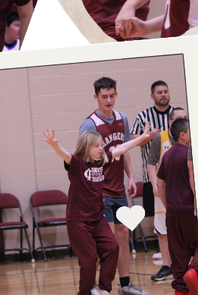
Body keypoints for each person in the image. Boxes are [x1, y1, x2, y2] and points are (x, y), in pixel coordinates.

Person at [43, 122, 154, 295]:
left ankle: (102, 288)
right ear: (87, 147)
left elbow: (121, 148)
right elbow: (64, 155)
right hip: (78, 220)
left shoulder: (102, 162)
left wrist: (141, 138)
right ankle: (85, 292)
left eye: (102, 145)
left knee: (112, 248)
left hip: (97, 218)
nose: (101, 148)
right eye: (97, 146)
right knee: (89, 259)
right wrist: (54, 145)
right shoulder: (77, 163)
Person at [80, 76, 149, 295]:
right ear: (96, 97)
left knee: (122, 236)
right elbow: (83, 160)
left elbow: (124, 148)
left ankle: (125, 284)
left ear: (116, 94)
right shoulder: (90, 124)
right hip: (100, 192)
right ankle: (95, 287)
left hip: (118, 189)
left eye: (111, 95)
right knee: (106, 243)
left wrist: (130, 176)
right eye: (104, 97)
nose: (108, 100)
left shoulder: (122, 118)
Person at [131, 82, 176, 281]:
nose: (163, 95)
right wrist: (147, 136)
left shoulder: (178, 113)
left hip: (179, 177)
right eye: (159, 92)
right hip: (154, 175)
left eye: (166, 91)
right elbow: (132, 138)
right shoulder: (143, 116)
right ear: (152, 96)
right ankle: (166, 260)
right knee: (160, 221)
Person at [157, 117, 198, 295]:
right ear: (183, 135)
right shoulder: (190, 155)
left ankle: (183, 285)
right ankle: (195, 272)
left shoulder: (166, 155)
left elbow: (159, 184)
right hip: (191, 211)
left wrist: (167, 206)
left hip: (173, 213)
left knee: (179, 257)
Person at [145, 106, 186, 282]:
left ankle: (189, 265)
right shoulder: (160, 138)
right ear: (170, 122)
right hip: (164, 189)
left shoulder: (190, 138)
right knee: (163, 230)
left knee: (187, 228)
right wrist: (155, 184)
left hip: (185, 189)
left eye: (186, 117)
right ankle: (167, 265)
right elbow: (151, 162)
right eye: (179, 118)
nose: (184, 120)